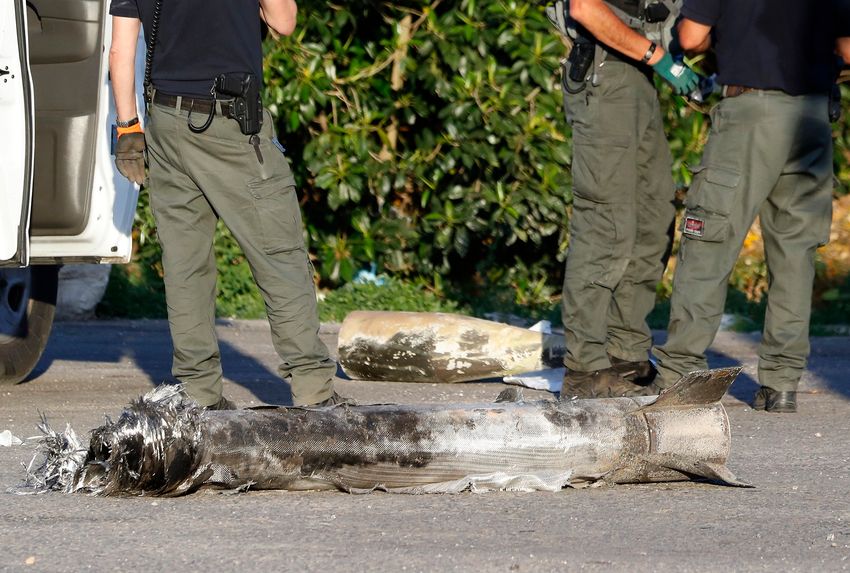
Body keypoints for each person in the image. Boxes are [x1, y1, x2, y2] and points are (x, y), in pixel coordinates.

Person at [108, 0, 341, 409]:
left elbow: (120, 50)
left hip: (165, 124)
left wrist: (128, 127)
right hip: (230, 124)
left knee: (185, 265)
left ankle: (198, 395)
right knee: (280, 255)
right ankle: (314, 394)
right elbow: (283, 22)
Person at [653, 1, 846, 412]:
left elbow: (689, 37)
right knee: (796, 253)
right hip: (811, 118)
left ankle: (681, 374)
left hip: (749, 114)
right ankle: (781, 383)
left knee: (709, 242)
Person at [556, 0, 700, 398]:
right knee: (606, 221)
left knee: (654, 219)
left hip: (639, 80)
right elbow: (585, 8)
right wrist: (657, 57)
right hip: (604, 76)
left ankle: (625, 355)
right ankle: (584, 369)